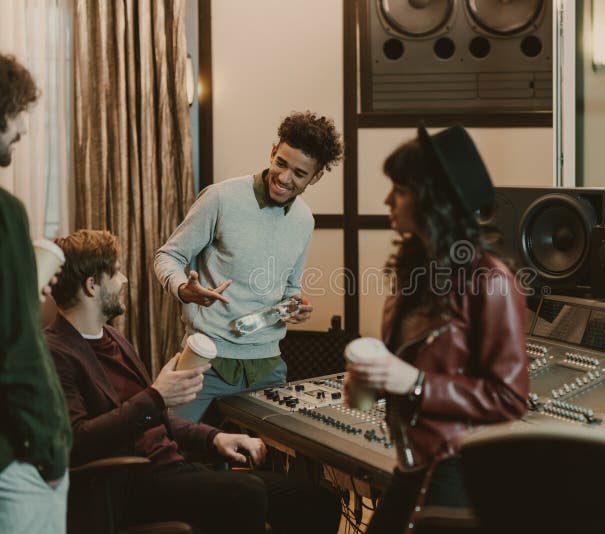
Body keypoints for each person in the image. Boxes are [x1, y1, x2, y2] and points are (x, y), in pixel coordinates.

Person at [46, 229, 341, 534]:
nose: (124, 280)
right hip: (133, 485)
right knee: (247, 492)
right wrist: (157, 396)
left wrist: (213, 437)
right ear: (92, 285)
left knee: (317, 501)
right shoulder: (56, 354)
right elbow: (78, 441)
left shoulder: (112, 338)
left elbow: (153, 419)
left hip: (174, 467)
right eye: (116, 272)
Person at [345, 126, 529, 534]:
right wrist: (372, 382)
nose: (388, 199)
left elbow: (510, 397)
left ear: (432, 201)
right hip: (415, 461)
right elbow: (409, 366)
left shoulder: (491, 281)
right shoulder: (413, 273)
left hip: (457, 466)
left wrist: (415, 383)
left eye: (401, 189)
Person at [154, 111, 344, 422]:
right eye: (281, 163)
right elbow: (167, 256)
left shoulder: (304, 220)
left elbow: (290, 289)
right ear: (273, 151)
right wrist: (183, 290)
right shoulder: (220, 198)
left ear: (316, 176)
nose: (284, 178)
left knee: (265, 461)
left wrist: (295, 305)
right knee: (174, 450)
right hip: (205, 359)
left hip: (269, 365)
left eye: (299, 173)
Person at [0, 53, 72, 534]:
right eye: (16, 113)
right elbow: (17, 351)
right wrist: (50, 452)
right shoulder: (6, 213)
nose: (22, 129)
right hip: (15, 458)